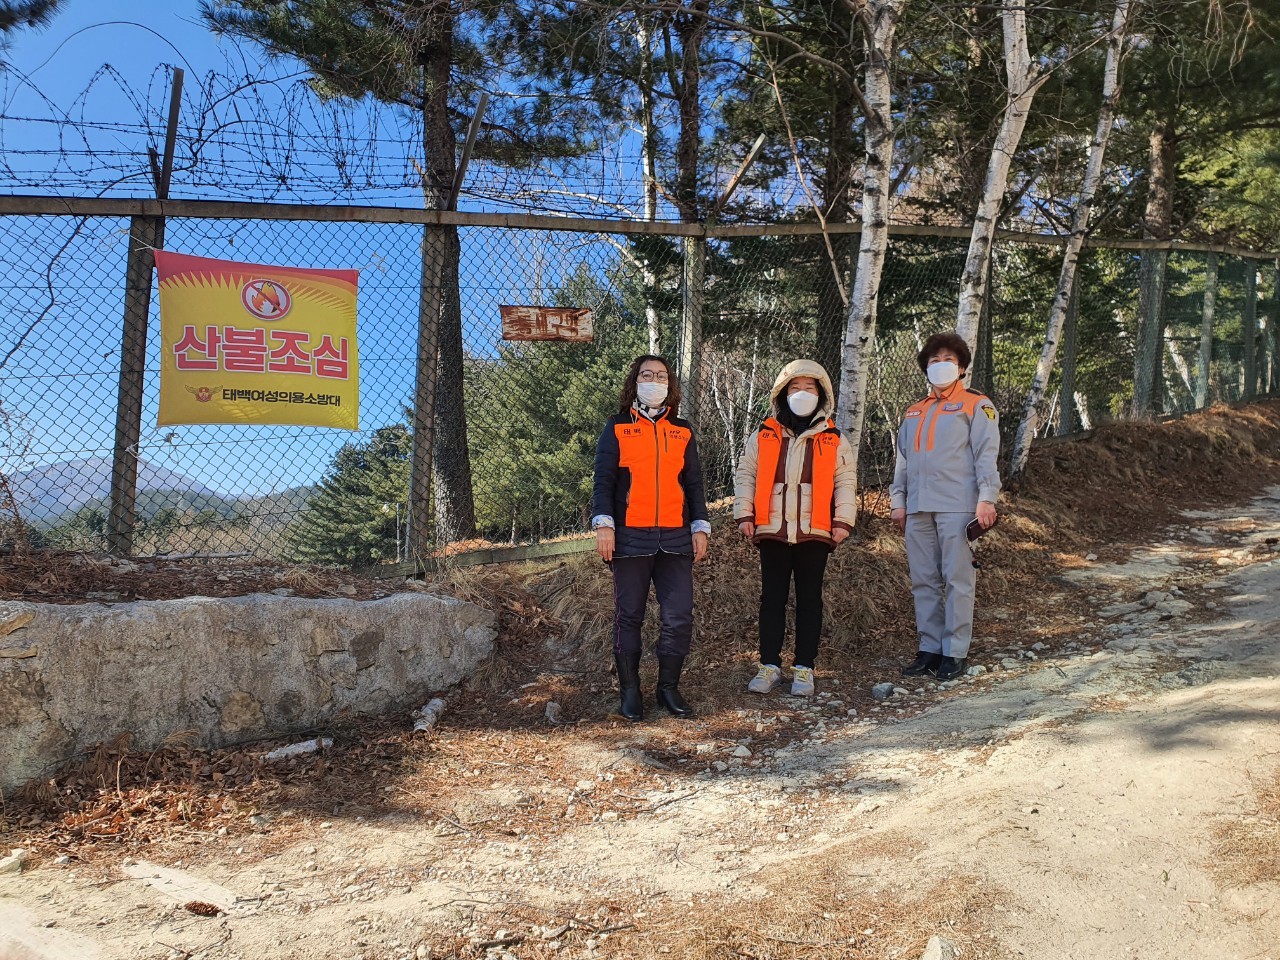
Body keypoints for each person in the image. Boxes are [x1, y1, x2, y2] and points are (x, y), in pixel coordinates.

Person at [592, 355, 709, 721]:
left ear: (669, 384)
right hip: (630, 536)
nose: (654, 380)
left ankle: (668, 688)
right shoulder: (617, 427)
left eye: (661, 375)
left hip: (675, 536)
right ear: (635, 381)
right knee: (629, 616)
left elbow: (693, 483)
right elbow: (604, 479)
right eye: (647, 374)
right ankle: (630, 691)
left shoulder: (682, 430)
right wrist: (604, 525)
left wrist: (700, 526)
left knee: (679, 616)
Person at [733, 359, 856, 697]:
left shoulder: (834, 438)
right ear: (782, 394)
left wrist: (843, 520)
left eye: (809, 387)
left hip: (815, 531)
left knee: (809, 600)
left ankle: (804, 667)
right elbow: (746, 473)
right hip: (772, 528)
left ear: (822, 394)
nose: (802, 393)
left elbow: (845, 481)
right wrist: (744, 513)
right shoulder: (764, 435)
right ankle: (769, 666)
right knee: (771, 598)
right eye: (795, 387)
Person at [890, 331, 1001, 682]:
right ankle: (930, 649)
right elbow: (903, 461)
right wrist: (898, 502)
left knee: (957, 579)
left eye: (948, 360)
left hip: (957, 506)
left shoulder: (976, 404)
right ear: (926, 367)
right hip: (918, 508)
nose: (941, 365)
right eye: (934, 360)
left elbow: (986, 455)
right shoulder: (914, 411)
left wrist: (987, 498)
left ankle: (954, 651)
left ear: (962, 367)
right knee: (923, 580)